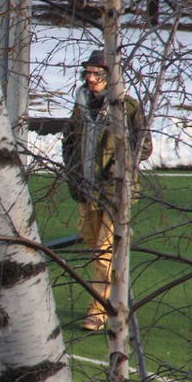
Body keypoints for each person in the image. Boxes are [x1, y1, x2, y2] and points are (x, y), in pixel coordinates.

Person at [61, 48, 153, 331]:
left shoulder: (127, 107)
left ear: (110, 76)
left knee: (103, 252)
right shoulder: (81, 104)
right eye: (87, 73)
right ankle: (116, 298)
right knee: (93, 244)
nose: (90, 79)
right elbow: (69, 139)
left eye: (96, 74)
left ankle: (98, 311)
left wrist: (119, 169)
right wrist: (73, 167)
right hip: (86, 190)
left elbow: (144, 147)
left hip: (114, 193)